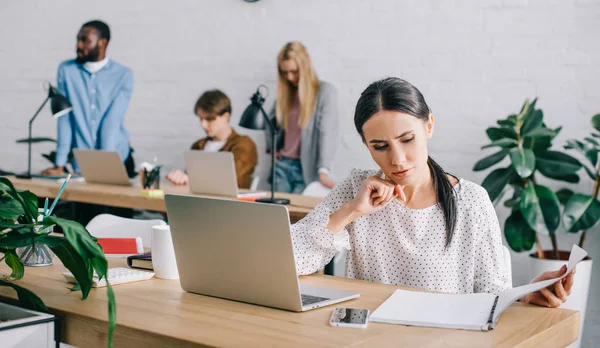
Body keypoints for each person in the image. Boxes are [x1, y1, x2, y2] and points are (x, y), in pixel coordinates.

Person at [291, 77, 575, 307]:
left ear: (428, 126)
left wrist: (526, 295)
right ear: (366, 144)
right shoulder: (356, 190)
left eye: (407, 139)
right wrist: (350, 211)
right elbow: (289, 262)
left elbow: (491, 293)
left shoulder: (471, 201)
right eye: (380, 146)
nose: (398, 159)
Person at [42, 20, 136, 177]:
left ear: (102, 43)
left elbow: (111, 122)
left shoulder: (123, 75)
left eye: (85, 40)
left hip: (116, 159)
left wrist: (104, 167)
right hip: (82, 163)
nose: (78, 45)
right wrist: (59, 163)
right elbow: (65, 118)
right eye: (78, 39)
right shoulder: (67, 71)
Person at [268, 41, 338, 194]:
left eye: (294, 71)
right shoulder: (286, 95)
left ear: (306, 64)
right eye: (285, 73)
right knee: (277, 213)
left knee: (298, 216)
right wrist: (272, 149)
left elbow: (327, 132)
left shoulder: (324, 93)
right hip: (282, 166)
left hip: (305, 168)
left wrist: (323, 171)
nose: (290, 77)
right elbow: (270, 124)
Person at [166, 90, 258, 189]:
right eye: (201, 119)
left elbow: (227, 178)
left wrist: (190, 178)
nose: (203, 125)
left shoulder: (244, 144)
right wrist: (181, 178)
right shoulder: (198, 145)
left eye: (209, 119)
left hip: (227, 203)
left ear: (226, 116)